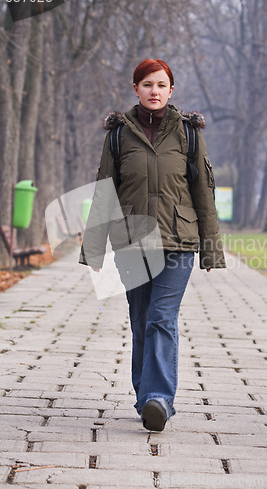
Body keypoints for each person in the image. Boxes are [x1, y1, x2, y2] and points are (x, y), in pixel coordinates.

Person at [80, 59, 226, 432]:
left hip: (179, 242)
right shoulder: (118, 135)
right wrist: (93, 250)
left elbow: (203, 193)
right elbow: (104, 191)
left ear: (171, 90)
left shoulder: (188, 133)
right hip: (133, 243)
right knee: (142, 321)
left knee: (162, 319)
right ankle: (146, 397)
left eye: (161, 84)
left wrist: (211, 249)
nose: (154, 91)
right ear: (136, 89)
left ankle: (159, 399)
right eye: (147, 84)